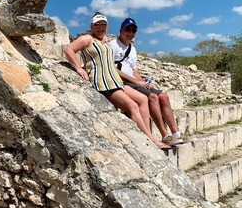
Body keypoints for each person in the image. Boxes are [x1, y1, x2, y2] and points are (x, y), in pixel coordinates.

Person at [64, 12, 170, 150]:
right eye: (97, 25)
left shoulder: (106, 41)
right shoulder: (87, 39)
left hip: (114, 80)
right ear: (91, 26)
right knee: (132, 106)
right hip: (103, 81)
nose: (100, 28)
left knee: (143, 99)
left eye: (103, 25)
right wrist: (79, 68)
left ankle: (147, 134)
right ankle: (151, 140)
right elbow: (69, 50)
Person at [108, 17, 194, 146]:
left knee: (164, 97)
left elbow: (133, 69)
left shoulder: (132, 49)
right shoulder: (112, 45)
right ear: (121, 30)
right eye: (127, 29)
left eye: (133, 30)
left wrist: (142, 82)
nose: (130, 33)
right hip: (122, 81)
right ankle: (165, 135)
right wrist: (136, 82)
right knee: (153, 97)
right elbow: (112, 68)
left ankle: (176, 134)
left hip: (133, 81)